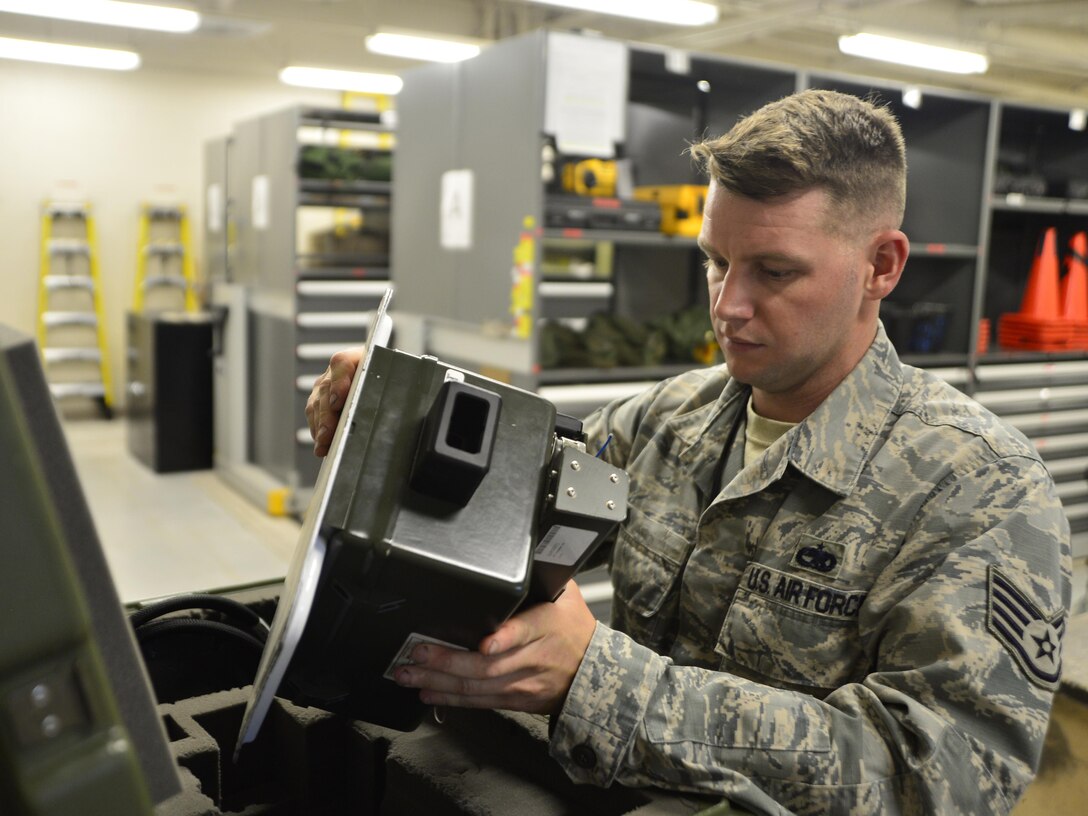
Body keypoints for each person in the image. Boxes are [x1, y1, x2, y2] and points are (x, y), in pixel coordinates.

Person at [305, 89, 1072, 815]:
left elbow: (938, 780)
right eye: (715, 260)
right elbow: (512, 493)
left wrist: (597, 680)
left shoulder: (980, 488)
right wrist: (386, 435)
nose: (727, 305)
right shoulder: (673, 419)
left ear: (882, 266)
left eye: (774, 271)